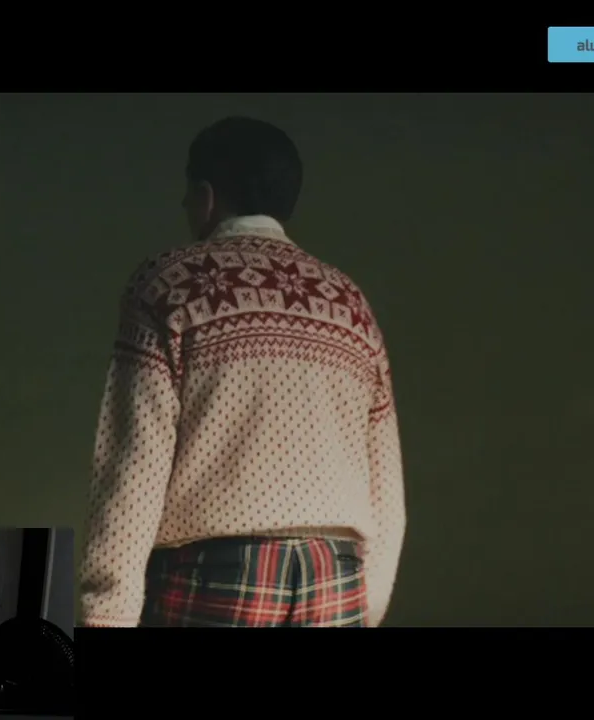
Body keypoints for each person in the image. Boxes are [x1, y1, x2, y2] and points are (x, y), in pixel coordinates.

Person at [78, 116, 406, 627]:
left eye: (187, 195)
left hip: (214, 573)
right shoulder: (349, 303)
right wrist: (368, 605)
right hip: (336, 577)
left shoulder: (169, 284)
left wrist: (105, 615)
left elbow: (133, 463)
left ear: (206, 196)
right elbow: (385, 482)